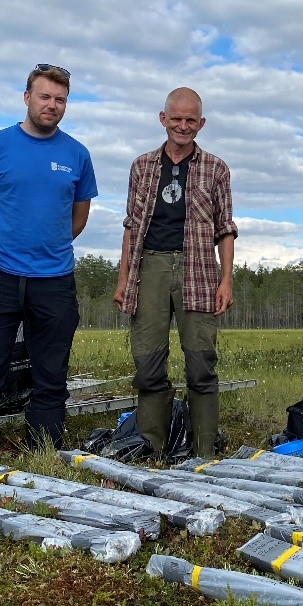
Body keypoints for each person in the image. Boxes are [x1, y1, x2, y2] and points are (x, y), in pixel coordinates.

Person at [0, 64, 98, 467]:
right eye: (44, 96)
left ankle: (42, 463)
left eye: (60, 99)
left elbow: (79, 216)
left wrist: (47, 249)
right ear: (26, 97)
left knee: (51, 379)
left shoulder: (77, 154)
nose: (51, 105)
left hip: (54, 281)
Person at [113, 87, 237, 459]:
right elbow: (131, 226)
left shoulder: (216, 168)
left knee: (200, 365)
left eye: (191, 120)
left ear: (201, 123)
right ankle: (151, 448)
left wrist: (226, 279)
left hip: (198, 268)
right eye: (176, 118)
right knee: (148, 363)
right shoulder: (141, 166)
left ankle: (203, 453)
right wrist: (123, 279)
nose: (183, 126)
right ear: (163, 119)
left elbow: (225, 228)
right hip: (148, 266)